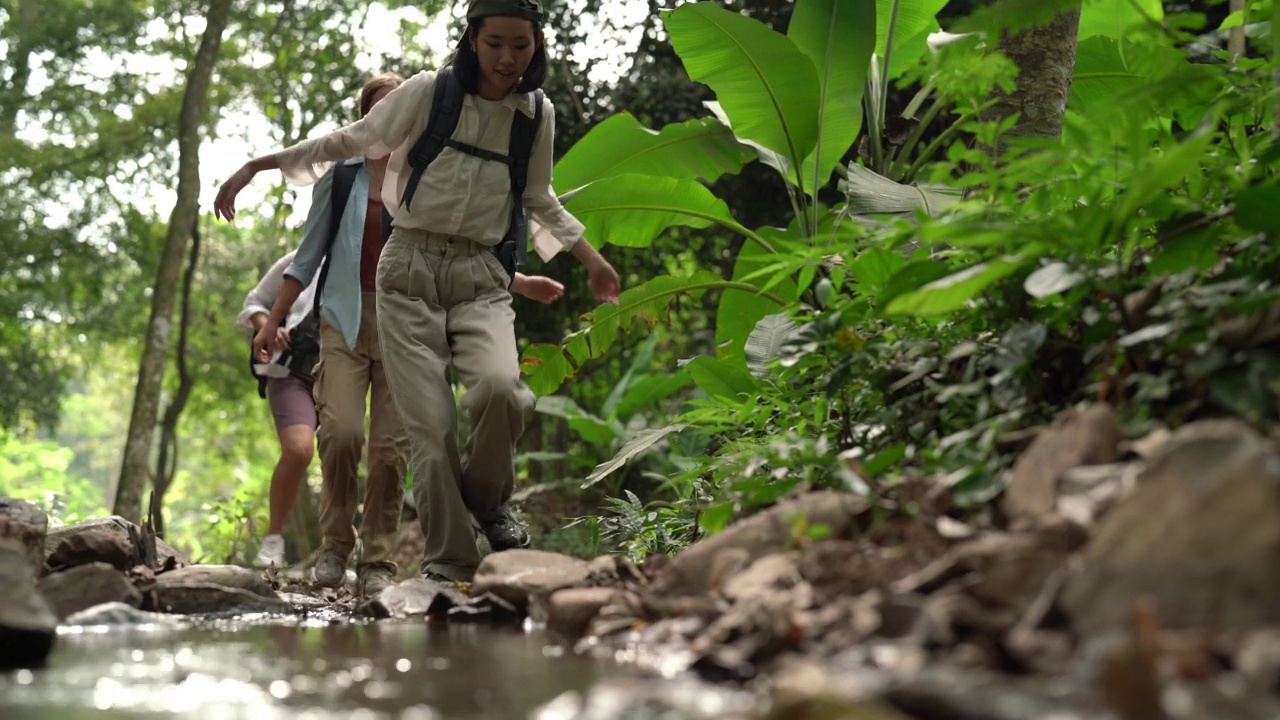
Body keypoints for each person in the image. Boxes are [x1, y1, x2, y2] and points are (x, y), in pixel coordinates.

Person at [216, 0, 621, 584]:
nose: (507, 58)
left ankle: (486, 500)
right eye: (495, 43)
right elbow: (350, 144)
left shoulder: (536, 114)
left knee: (502, 392)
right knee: (421, 431)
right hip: (398, 282)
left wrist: (591, 260)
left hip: (480, 273)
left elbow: (538, 196)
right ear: (473, 40)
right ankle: (444, 565)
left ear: (537, 47)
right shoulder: (428, 95)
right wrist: (261, 164)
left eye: (521, 45)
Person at [249, 72, 569, 594]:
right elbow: (306, 257)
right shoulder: (343, 177)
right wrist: (272, 320)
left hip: (412, 321)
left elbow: (459, 244)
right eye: (383, 108)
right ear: (369, 118)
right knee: (343, 435)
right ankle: (335, 545)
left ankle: (377, 559)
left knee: (390, 451)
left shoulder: (437, 167)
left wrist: (520, 280)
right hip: (346, 319)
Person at [237, 250, 322, 569]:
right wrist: (268, 325)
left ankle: (339, 547)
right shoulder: (300, 259)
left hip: (343, 371)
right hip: (290, 373)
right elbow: (254, 301)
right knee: (300, 450)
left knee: (344, 449)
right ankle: (273, 538)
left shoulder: (370, 258)